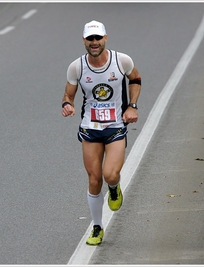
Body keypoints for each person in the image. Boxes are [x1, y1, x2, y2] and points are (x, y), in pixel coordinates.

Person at [61, 20, 141, 246]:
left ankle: (114, 189)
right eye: (90, 39)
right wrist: (67, 105)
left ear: (105, 38)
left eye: (98, 38)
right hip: (90, 128)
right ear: (84, 41)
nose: (94, 43)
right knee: (94, 180)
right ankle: (97, 227)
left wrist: (132, 106)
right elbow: (68, 95)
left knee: (110, 175)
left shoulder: (121, 60)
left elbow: (136, 79)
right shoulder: (77, 67)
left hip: (115, 126)